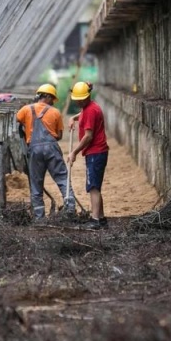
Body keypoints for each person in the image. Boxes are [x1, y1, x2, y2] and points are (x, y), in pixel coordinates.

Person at [16, 84, 75, 220]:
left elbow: (17, 121)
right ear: (47, 96)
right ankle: (70, 208)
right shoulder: (55, 112)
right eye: (52, 98)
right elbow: (59, 136)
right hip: (51, 148)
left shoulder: (25, 109)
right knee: (62, 178)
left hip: (34, 150)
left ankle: (39, 218)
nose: (53, 101)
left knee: (36, 183)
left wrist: (28, 127)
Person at [66, 82, 109, 230]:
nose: (77, 102)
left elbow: (88, 136)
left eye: (80, 100)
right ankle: (101, 219)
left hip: (95, 152)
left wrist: (74, 152)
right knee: (95, 185)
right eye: (76, 99)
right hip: (98, 152)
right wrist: (74, 118)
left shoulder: (90, 110)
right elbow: (84, 113)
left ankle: (95, 220)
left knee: (93, 187)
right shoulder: (89, 107)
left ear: (87, 97)